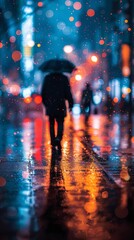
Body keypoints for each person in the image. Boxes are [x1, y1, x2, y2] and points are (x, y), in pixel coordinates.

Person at [41, 72, 74, 153]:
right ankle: (58, 138)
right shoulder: (64, 78)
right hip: (60, 104)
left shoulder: (47, 78)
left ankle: (53, 141)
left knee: (51, 123)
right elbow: (68, 93)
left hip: (51, 104)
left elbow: (43, 92)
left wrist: (46, 103)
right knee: (60, 122)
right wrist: (70, 104)